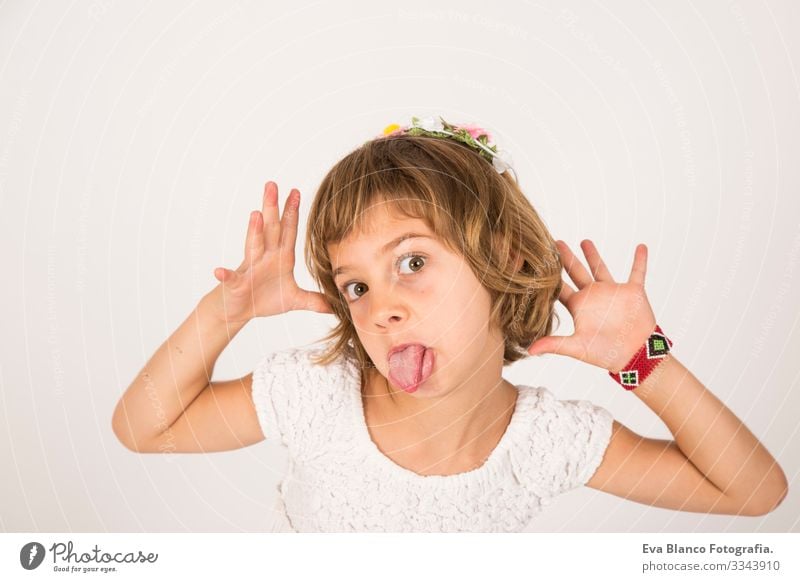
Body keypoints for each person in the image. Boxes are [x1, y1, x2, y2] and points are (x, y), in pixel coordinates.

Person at [111, 115, 788, 532]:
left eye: (411, 260)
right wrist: (223, 311)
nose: (382, 309)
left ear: (504, 258)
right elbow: (143, 428)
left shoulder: (545, 441)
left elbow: (755, 492)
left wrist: (646, 360)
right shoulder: (316, 396)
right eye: (356, 285)